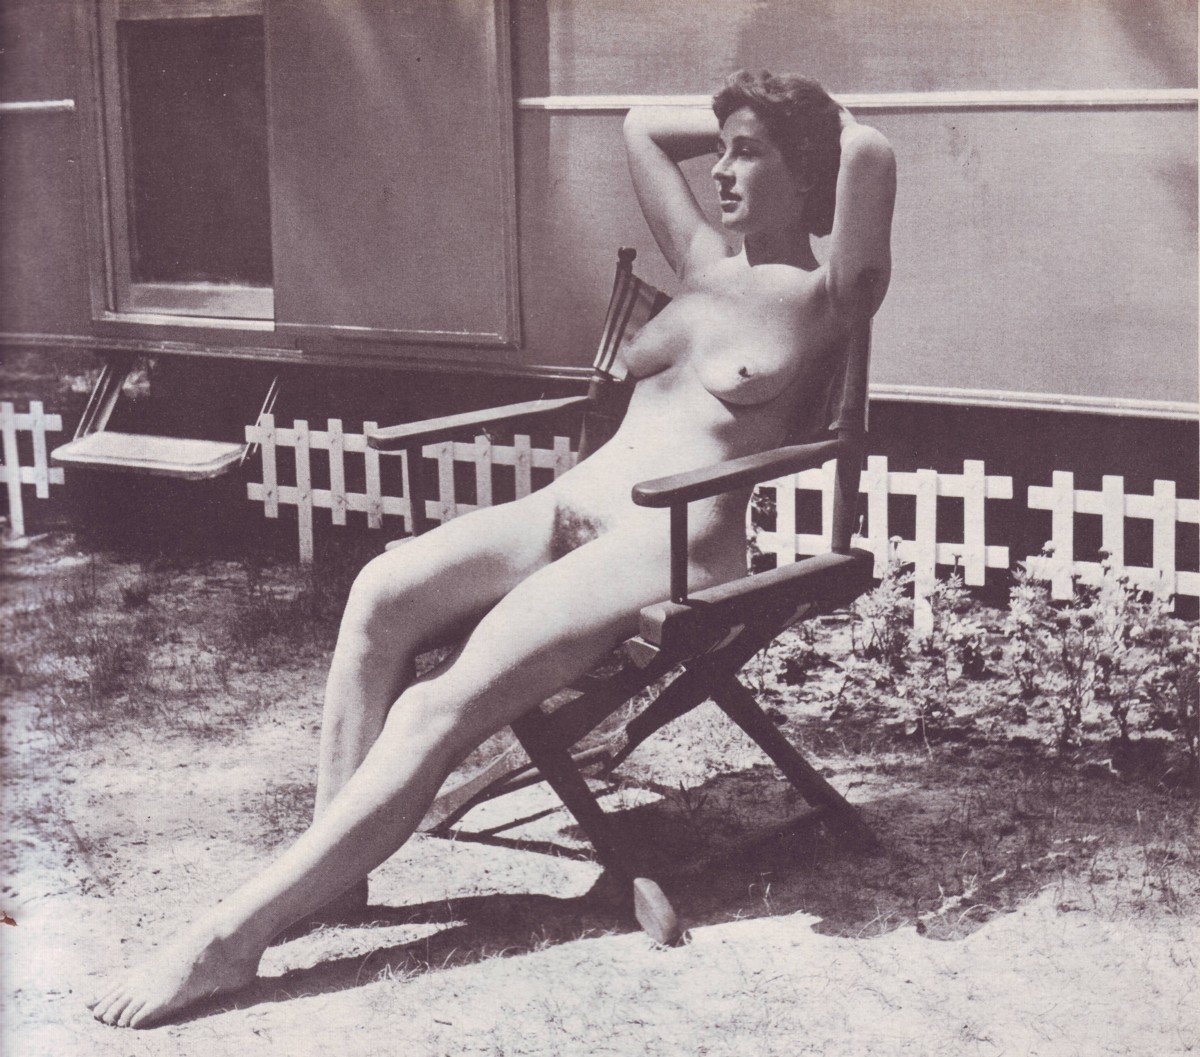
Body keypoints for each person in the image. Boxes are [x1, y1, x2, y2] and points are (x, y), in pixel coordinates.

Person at [88, 69, 895, 1028]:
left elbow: (868, 151)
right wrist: (745, 116)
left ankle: (230, 939)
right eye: (719, 150)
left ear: (804, 169)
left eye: (747, 153)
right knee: (381, 589)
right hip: (567, 506)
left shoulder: (828, 298)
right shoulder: (703, 261)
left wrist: (818, 116)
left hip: (671, 541)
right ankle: (332, 878)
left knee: (439, 704)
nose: (719, 170)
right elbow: (640, 124)